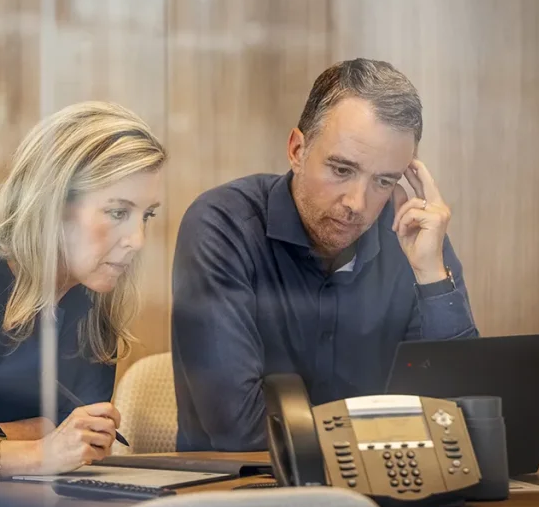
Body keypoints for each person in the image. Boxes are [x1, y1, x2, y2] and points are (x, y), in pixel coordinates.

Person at [171, 58, 478, 451]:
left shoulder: (411, 236)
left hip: (391, 498)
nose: (358, 203)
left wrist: (432, 276)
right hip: (242, 497)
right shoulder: (223, 225)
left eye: (383, 180)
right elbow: (241, 429)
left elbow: (463, 420)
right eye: (342, 170)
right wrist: (397, 430)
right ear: (298, 150)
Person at [0, 101, 166, 477]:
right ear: (53, 204)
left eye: (147, 215)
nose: (138, 240)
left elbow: (78, 441)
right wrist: (35, 451)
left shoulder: (93, 307)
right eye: (118, 213)